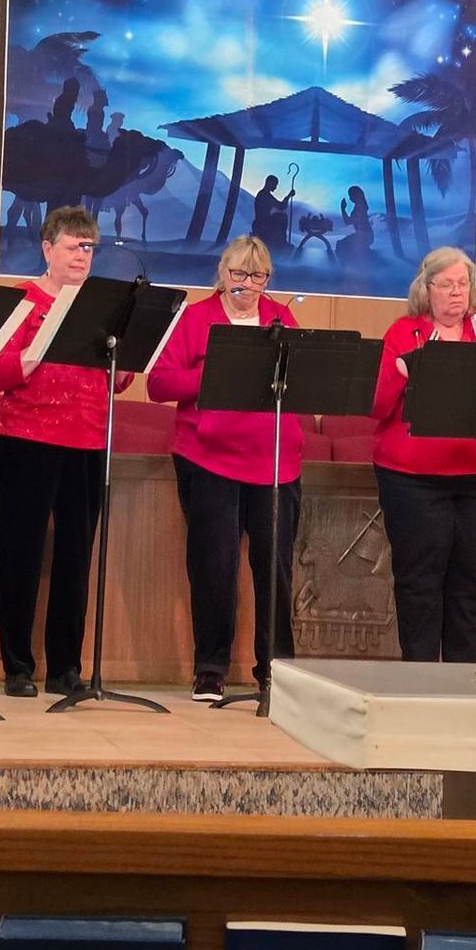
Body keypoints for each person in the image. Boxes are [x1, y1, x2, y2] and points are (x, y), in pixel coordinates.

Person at [147, 236, 302, 702]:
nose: (247, 285)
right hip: (208, 458)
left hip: (275, 461)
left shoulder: (282, 318)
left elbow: (302, 379)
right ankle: (210, 669)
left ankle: (276, 671)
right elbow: (158, 383)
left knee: (275, 570)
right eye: (238, 274)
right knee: (213, 567)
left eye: (258, 276)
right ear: (222, 272)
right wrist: (218, 371)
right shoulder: (195, 319)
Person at [0, 205, 128, 698]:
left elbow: (120, 380)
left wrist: (122, 359)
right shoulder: (22, 301)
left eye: (89, 248)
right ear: (48, 249)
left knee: (75, 555)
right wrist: (33, 353)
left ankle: (66, 666)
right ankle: (18, 665)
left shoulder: (100, 305)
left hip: (88, 437)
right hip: (28, 435)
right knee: (22, 552)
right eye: (73, 246)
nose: (82, 256)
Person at [370, 246, 476, 665]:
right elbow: (376, 406)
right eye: (446, 284)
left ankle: (463, 680)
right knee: (419, 584)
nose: (456, 293)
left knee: (473, 585)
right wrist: (401, 371)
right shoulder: (404, 333)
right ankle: (419, 679)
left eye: (463, 283)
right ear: (425, 288)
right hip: (412, 480)